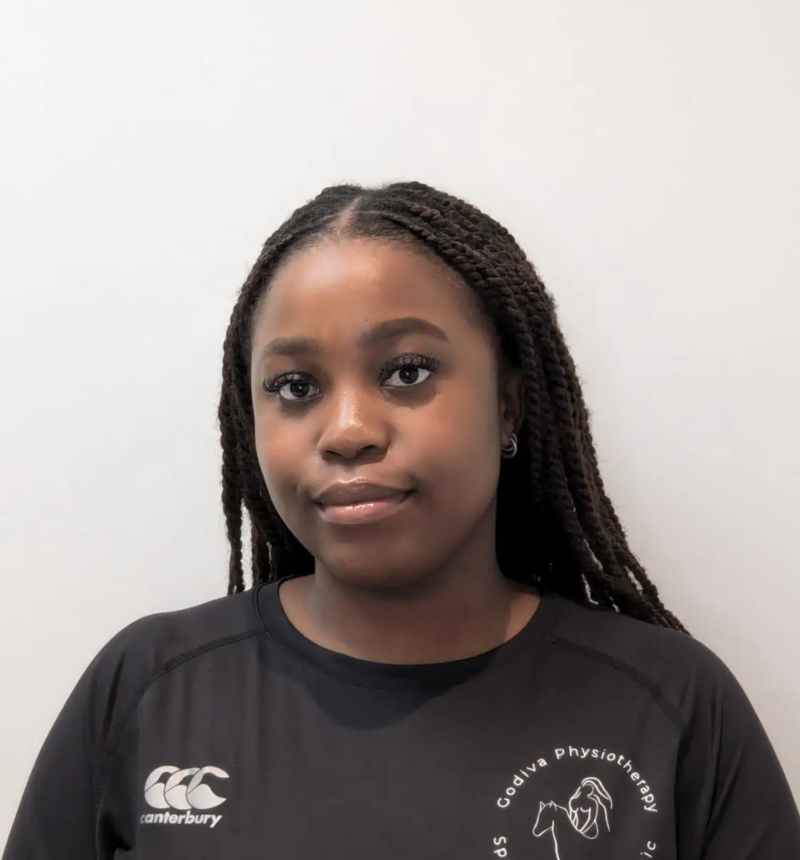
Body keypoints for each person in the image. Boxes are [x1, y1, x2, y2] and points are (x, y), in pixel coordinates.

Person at [5, 182, 799, 860]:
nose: (347, 429)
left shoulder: (674, 703)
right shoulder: (147, 688)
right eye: (294, 386)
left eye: (406, 371)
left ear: (509, 404)